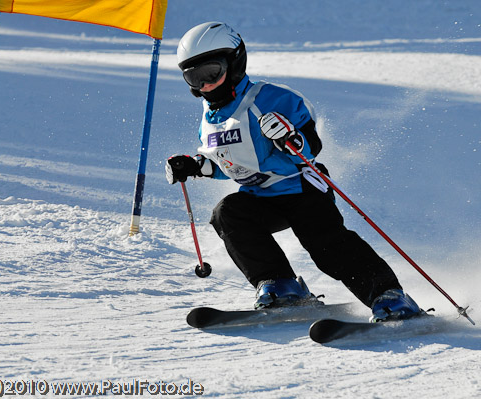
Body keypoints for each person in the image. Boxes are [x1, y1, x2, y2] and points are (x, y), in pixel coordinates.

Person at [165, 21, 422, 321]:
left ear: (234, 62)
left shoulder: (273, 98)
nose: (205, 85)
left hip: (301, 186)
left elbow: (311, 146)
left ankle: (388, 296)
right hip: (260, 196)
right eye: (194, 78)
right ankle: (281, 285)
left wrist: (291, 138)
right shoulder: (209, 120)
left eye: (211, 72)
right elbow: (226, 164)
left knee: (325, 246)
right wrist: (196, 166)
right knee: (227, 213)